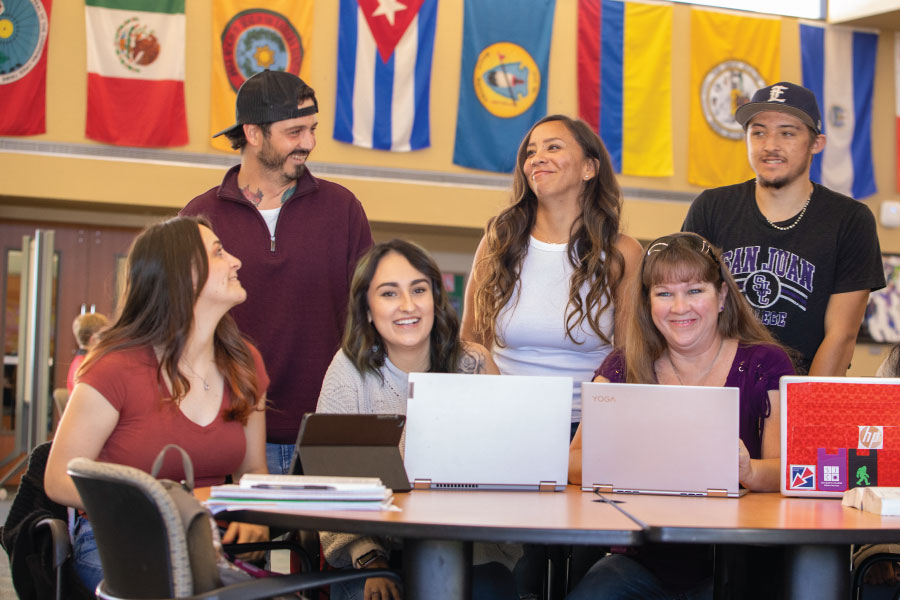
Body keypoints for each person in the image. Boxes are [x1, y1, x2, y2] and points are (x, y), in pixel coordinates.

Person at [44, 216, 270, 591]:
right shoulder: (116, 366)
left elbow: (253, 469)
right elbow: (58, 479)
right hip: (118, 539)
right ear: (183, 275)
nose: (236, 261)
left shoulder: (244, 363)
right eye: (218, 252)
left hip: (208, 539)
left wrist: (255, 514)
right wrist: (161, 505)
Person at [567, 232, 795, 600]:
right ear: (647, 303)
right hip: (641, 559)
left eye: (694, 291)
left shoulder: (766, 364)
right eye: (664, 293)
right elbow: (570, 463)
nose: (679, 307)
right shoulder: (621, 367)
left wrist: (747, 471)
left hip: (737, 560)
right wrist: (629, 463)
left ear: (721, 296)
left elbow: (788, 470)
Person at [181, 70, 373, 475]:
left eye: (312, 129)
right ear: (253, 134)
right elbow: (180, 326)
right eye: (295, 131)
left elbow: (367, 316)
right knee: (239, 540)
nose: (309, 142)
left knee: (335, 542)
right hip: (229, 427)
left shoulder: (343, 209)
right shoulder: (200, 218)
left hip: (325, 431)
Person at [316, 239, 516, 600]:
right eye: (389, 294)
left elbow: (506, 467)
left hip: (466, 548)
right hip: (375, 553)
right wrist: (371, 562)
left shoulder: (475, 363)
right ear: (366, 309)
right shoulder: (348, 370)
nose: (408, 306)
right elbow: (330, 485)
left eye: (419, 290)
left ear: (435, 299)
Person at [683, 81, 885, 376]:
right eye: (758, 132)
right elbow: (686, 307)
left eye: (787, 133)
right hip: (717, 386)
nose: (770, 145)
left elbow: (841, 336)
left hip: (801, 386)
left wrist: (805, 410)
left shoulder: (850, 220)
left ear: (816, 143)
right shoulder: (711, 207)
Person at [462, 114, 642, 434]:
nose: (537, 158)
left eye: (553, 147)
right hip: (502, 420)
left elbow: (629, 358)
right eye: (531, 152)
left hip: (587, 427)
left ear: (589, 168)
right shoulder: (498, 243)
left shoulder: (622, 253)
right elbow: (471, 342)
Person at [66, 313, 109, 394]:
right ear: (93, 340)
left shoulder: (79, 361)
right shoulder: (85, 367)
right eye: (104, 336)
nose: (108, 340)